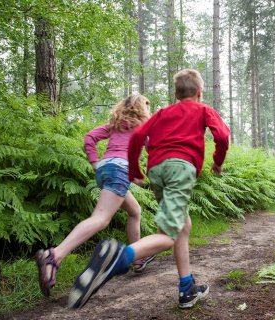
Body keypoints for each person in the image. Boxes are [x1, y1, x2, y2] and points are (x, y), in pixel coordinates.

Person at [67, 68, 230, 310]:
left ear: (176, 93)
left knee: (183, 226)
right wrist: (217, 162)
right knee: (168, 234)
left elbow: (138, 136)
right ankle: (119, 258)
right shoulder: (203, 109)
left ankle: (187, 288)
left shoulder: (163, 112)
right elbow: (223, 135)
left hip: (158, 170)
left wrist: (135, 170)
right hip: (180, 169)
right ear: (199, 92)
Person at [35, 94, 155, 297]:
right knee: (100, 219)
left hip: (105, 169)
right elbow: (154, 151)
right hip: (119, 171)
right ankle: (54, 256)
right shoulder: (144, 128)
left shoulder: (115, 124)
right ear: (142, 109)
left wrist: (94, 162)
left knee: (135, 211)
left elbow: (90, 137)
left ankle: (137, 259)